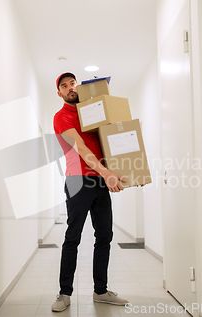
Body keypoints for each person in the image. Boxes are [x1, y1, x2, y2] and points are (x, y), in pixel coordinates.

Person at [51, 72, 129, 312]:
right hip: (78, 180)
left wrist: (131, 175)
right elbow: (81, 148)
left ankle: (101, 291)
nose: (70, 87)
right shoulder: (61, 116)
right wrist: (107, 174)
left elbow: (113, 140)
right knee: (73, 237)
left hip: (100, 180)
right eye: (64, 86)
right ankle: (65, 293)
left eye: (72, 83)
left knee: (104, 235)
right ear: (60, 93)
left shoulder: (92, 113)